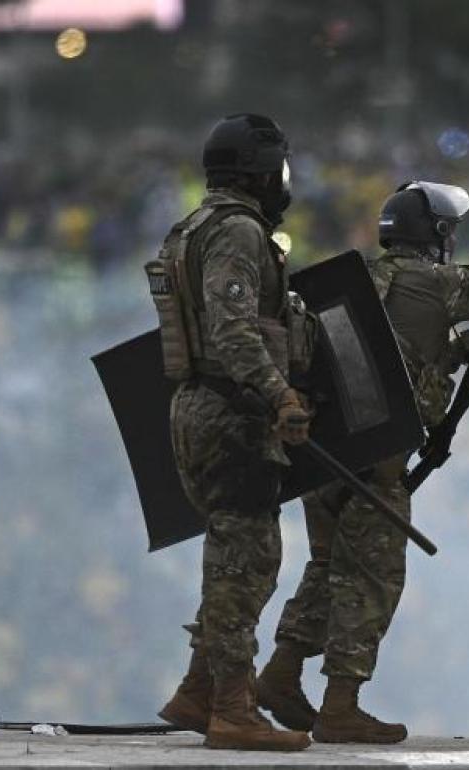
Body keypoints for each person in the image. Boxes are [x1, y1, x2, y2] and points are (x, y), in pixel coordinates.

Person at [254, 181, 469, 743]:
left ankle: (281, 674)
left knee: (327, 567)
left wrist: (461, 350)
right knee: (372, 578)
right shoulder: (438, 282)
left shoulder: (356, 279)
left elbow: (401, 358)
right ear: (436, 234)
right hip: (378, 464)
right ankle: (341, 704)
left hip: (327, 456)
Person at [154, 113, 312, 751]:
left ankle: (197, 690)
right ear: (259, 171)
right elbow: (231, 326)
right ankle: (231, 709)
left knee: (231, 559)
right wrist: (280, 394)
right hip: (233, 411)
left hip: (197, 403)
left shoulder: (190, 226)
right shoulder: (239, 232)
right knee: (246, 564)